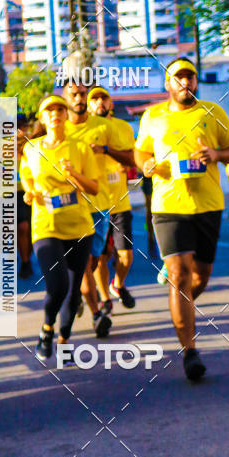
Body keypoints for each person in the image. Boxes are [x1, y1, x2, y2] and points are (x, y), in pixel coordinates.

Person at [134, 57, 229, 380]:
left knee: (200, 278)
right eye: (178, 78)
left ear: (196, 82)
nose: (185, 83)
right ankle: (189, 351)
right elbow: (140, 151)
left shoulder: (213, 112)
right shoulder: (153, 116)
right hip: (168, 206)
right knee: (180, 277)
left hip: (207, 205)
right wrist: (147, 164)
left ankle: (181, 306)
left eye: (189, 78)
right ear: (168, 84)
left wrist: (216, 156)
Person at [19, 95, 98, 362]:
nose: (55, 114)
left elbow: (94, 188)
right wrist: (29, 193)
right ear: (42, 118)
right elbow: (26, 177)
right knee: (58, 285)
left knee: (74, 294)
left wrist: (74, 175)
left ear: (65, 115)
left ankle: (64, 342)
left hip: (80, 227)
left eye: (59, 109)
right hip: (46, 226)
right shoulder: (32, 149)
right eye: (49, 110)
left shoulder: (81, 147)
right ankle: (46, 328)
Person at [63, 80, 133, 337]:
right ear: (66, 97)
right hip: (72, 206)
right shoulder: (59, 127)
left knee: (92, 263)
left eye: (83, 94)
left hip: (103, 204)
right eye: (76, 95)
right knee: (83, 264)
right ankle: (97, 313)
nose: (80, 99)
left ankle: (85, 296)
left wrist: (106, 151)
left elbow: (130, 157)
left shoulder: (105, 127)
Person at [87, 86, 137, 311]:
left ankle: (118, 284)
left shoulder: (123, 127)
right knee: (100, 256)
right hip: (95, 203)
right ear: (89, 105)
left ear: (111, 103)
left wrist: (108, 151)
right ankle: (105, 298)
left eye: (103, 98)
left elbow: (132, 159)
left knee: (125, 256)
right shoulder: (82, 129)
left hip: (119, 201)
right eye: (94, 99)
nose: (100, 102)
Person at [16, 114, 34, 278]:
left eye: (23, 126)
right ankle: (25, 262)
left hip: (34, 192)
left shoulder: (34, 144)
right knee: (22, 228)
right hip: (11, 194)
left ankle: (26, 254)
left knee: (31, 231)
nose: (20, 130)